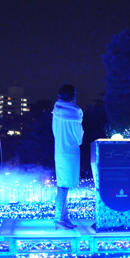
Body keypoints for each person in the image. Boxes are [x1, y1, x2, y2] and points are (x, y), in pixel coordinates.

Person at [52, 84, 84, 230]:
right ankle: (59, 217)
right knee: (64, 186)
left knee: (62, 184)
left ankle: (64, 217)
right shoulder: (76, 113)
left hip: (59, 150)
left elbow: (54, 131)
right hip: (70, 152)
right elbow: (79, 138)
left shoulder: (56, 110)